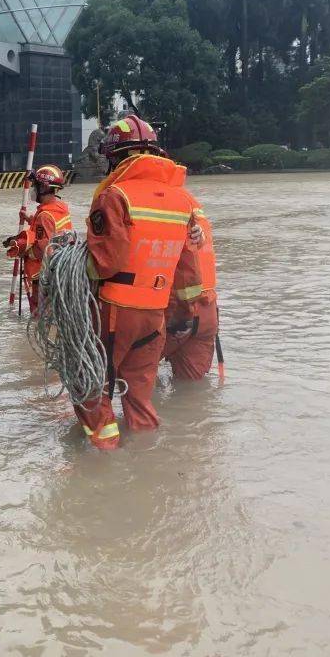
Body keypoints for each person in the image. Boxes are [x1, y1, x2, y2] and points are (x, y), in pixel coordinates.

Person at [75, 115, 202, 450]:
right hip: (156, 315)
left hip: (114, 312)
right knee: (139, 394)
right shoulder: (183, 200)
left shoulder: (115, 196)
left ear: (115, 157)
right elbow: (189, 270)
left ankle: (104, 463)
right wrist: (184, 313)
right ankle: (146, 460)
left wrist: (72, 267)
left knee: (90, 383)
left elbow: (105, 263)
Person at [163, 167, 220, 380]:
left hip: (176, 312)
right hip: (207, 310)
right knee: (192, 389)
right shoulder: (192, 203)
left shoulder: (161, 205)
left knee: (137, 378)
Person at [3, 164, 73, 315]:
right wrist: (29, 218)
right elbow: (49, 229)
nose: (34, 190)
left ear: (44, 188)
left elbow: (44, 250)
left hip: (43, 276)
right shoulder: (60, 209)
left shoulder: (44, 216)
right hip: (60, 271)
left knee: (40, 317)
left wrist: (24, 250)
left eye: (35, 186)